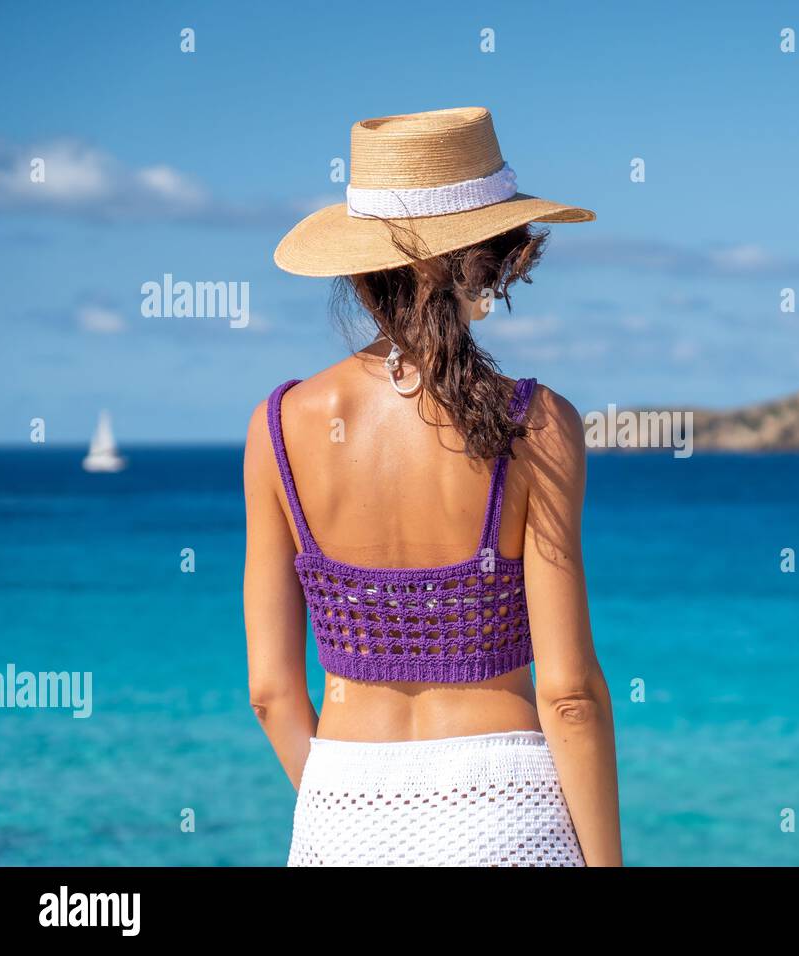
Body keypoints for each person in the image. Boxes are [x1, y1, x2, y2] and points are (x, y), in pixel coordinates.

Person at [243, 107, 621, 866]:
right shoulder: (533, 421)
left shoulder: (279, 425)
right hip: (505, 809)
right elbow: (570, 694)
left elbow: (272, 693)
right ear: (483, 253)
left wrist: (344, 808)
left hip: (342, 810)